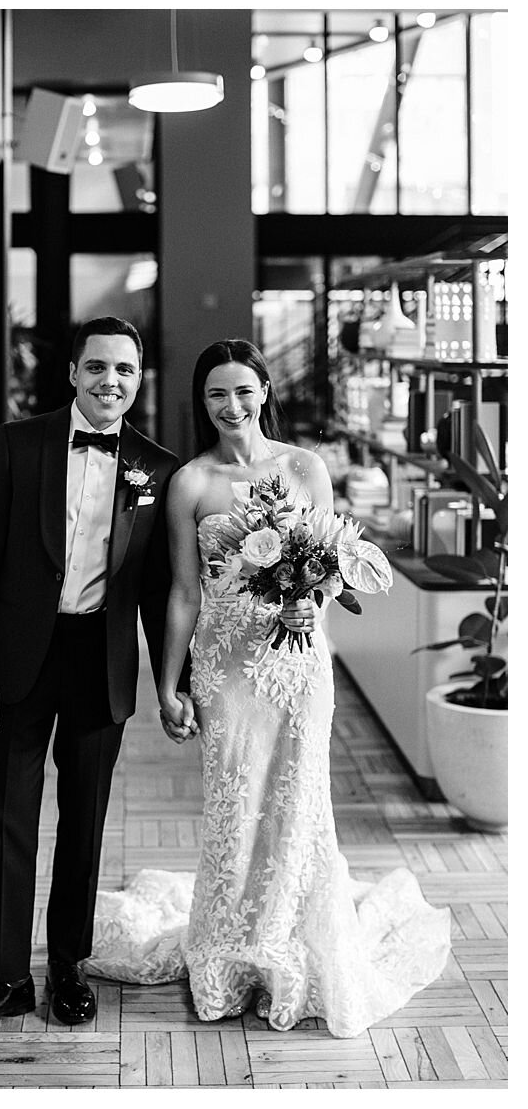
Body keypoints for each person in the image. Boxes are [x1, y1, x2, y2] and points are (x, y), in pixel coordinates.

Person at [86, 339, 450, 1038]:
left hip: (299, 662)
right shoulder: (190, 482)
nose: (232, 406)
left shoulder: (305, 466)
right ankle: (227, 948)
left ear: (265, 389)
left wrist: (317, 596)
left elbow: (334, 563)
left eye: (243, 391)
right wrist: (169, 683)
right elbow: (185, 594)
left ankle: (285, 933)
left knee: (296, 797)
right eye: (217, 394)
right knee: (234, 798)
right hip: (225, 664)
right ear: (203, 402)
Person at [0, 316, 182, 1036]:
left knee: (84, 822)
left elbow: (166, 590)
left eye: (125, 371)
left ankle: (67, 967)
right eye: (97, 367)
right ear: (73, 372)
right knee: (8, 818)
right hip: (16, 663)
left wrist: (174, 682)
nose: (111, 382)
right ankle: (5, 977)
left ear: (139, 381)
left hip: (99, 664)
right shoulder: (20, 442)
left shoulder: (155, 467)